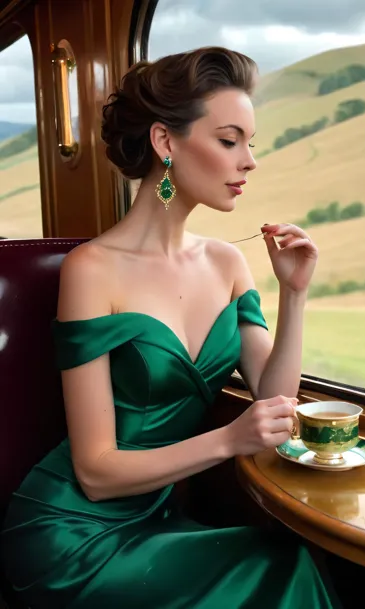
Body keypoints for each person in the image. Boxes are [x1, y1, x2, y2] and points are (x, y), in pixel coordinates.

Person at [1, 46, 339, 609]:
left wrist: (295, 294)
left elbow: (274, 402)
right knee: (282, 572)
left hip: (157, 519)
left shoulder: (227, 263)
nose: (249, 161)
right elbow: (96, 473)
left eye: (249, 144)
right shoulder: (92, 271)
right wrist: (230, 439)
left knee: (290, 562)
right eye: (230, 141)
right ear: (165, 143)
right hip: (70, 534)